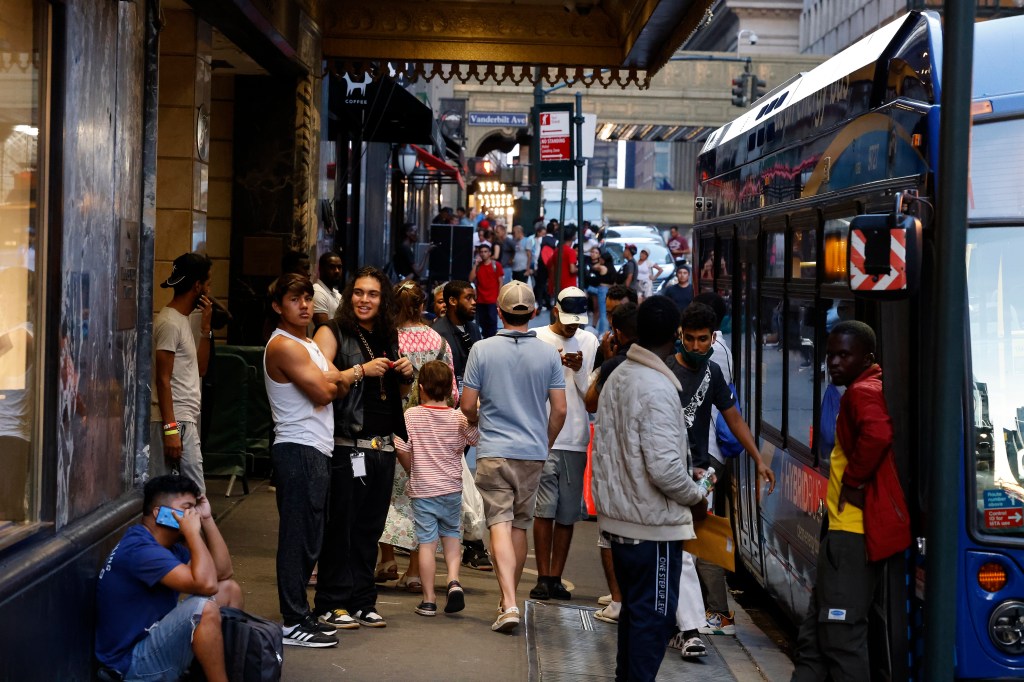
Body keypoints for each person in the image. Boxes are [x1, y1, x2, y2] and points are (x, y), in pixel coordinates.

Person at [591, 296, 707, 681]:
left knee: (635, 617)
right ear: (675, 335)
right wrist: (697, 496)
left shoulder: (618, 376)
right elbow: (666, 469)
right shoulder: (656, 387)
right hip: (651, 529)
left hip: (621, 522)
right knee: (653, 621)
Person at [791, 321, 910, 682]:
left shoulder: (861, 392)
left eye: (845, 355)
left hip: (852, 535)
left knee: (841, 637)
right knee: (813, 637)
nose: (834, 362)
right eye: (830, 355)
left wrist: (854, 480)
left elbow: (878, 434)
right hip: (842, 534)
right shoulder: (866, 386)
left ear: (867, 358)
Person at [460, 281, 567, 632]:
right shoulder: (549, 354)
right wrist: (545, 442)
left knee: (499, 524)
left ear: (500, 313)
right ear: (533, 313)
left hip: (494, 450)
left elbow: (467, 405)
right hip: (533, 453)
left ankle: (507, 602)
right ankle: (509, 600)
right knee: (519, 525)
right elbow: (560, 410)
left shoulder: (482, 350)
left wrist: (477, 420)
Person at [312, 266, 414, 630]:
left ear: (383, 299)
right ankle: (330, 603)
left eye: (372, 294)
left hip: (382, 447)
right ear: (348, 295)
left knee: (369, 530)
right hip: (347, 446)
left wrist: (405, 376)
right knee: (341, 526)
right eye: (358, 292)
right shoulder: (332, 331)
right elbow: (322, 378)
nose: (364, 299)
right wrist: (360, 370)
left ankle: (361, 601)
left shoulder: (387, 335)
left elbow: (393, 397)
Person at [95, 475, 245, 681]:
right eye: (187, 508)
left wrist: (207, 519)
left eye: (194, 508)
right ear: (159, 513)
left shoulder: (168, 547)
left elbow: (223, 572)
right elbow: (207, 585)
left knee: (229, 589)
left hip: (153, 643)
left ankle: (221, 672)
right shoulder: (141, 549)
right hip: (131, 665)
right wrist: (192, 533)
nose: (193, 514)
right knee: (202, 610)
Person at [263, 273, 344, 647]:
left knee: (312, 536)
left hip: (316, 447)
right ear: (279, 305)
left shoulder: (308, 342)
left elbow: (330, 384)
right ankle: (293, 620)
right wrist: (348, 375)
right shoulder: (283, 346)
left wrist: (335, 380)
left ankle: (302, 614)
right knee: (298, 538)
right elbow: (326, 391)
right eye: (295, 299)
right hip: (297, 447)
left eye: (308, 298)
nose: (305, 305)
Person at [377, 280, 459, 593]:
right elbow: (452, 389)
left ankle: (386, 559)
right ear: (421, 305)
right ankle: (414, 570)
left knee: (386, 493)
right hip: (430, 430)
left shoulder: (388, 338)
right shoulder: (438, 340)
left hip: (393, 425)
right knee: (419, 499)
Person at [394, 360, 480, 617]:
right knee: (452, 537)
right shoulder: (457, 417)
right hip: (451, 488)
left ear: (421, 388)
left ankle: (429, 599)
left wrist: (413, 470)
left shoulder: (411, 416)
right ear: (450, 389)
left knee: (427, 544)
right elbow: (475, 439)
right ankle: (453, 581)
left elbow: (401, 448)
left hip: (423, 490)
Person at [531, 287, 599, 601]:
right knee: (543, 510)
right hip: (542, 436)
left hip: (574, 438)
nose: (573, 326)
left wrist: (579, 368)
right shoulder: (536, 337)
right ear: (555, 310)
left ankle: (555, 576)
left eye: (577, 320)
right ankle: (543, 576)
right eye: (567, 318)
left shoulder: (590, 341)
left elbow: (591, 400)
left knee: (567, 514)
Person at [582, 301, 639, 625]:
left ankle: (618, 600)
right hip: (640, 460)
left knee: (609, 533)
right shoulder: (659, 363)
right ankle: (629, 596)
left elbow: (590, 401)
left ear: (616, 332)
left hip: (614, 461)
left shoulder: (616, 363)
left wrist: (605, 358)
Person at [431, 280, 492, 570]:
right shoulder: (438, 333)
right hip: (448, 415)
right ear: (452, 301)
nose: (474, 302)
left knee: (461, 478)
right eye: (468, 297)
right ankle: (466, 543)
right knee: (455, 480)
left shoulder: (473, 329)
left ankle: (467, 543)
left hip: (468, 412)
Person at [151, 252, 214, 495]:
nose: (209, 291)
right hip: (175, 421)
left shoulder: (183, 321)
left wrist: (206, 329)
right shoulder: (169, 323)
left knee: (180, 497)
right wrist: (170, 430)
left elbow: (200, 369)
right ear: (197, 286)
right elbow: (162, 379)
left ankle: (179, 532)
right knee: (195, 496)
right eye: (207, 284)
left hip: (185, 419)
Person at [469, 243, 504, 338]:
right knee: (482, 322)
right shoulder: (478, 266)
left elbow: (500, 281)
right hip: (481, 299)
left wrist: (499, 297)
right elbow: (471, 279)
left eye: (485, 252)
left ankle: (492, 338)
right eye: (481, 252)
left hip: (492, 299)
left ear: (489, 253)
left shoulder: (496, 265)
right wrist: (475, 265)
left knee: (492, 321)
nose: (483, 254)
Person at [313, 250, 344, 329]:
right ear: (321, 269)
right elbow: (324, 329)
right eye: (332, 267)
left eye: (339, 267)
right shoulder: (317, 292)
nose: (337, 271)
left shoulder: (337, 294)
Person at [547, 225, 579, 296]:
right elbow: (572, 269)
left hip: (559, 286)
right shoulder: (571, 251)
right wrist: (579, 269)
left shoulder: (557, 251)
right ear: (573, 236)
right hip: (570, 287)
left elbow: (552, 268)